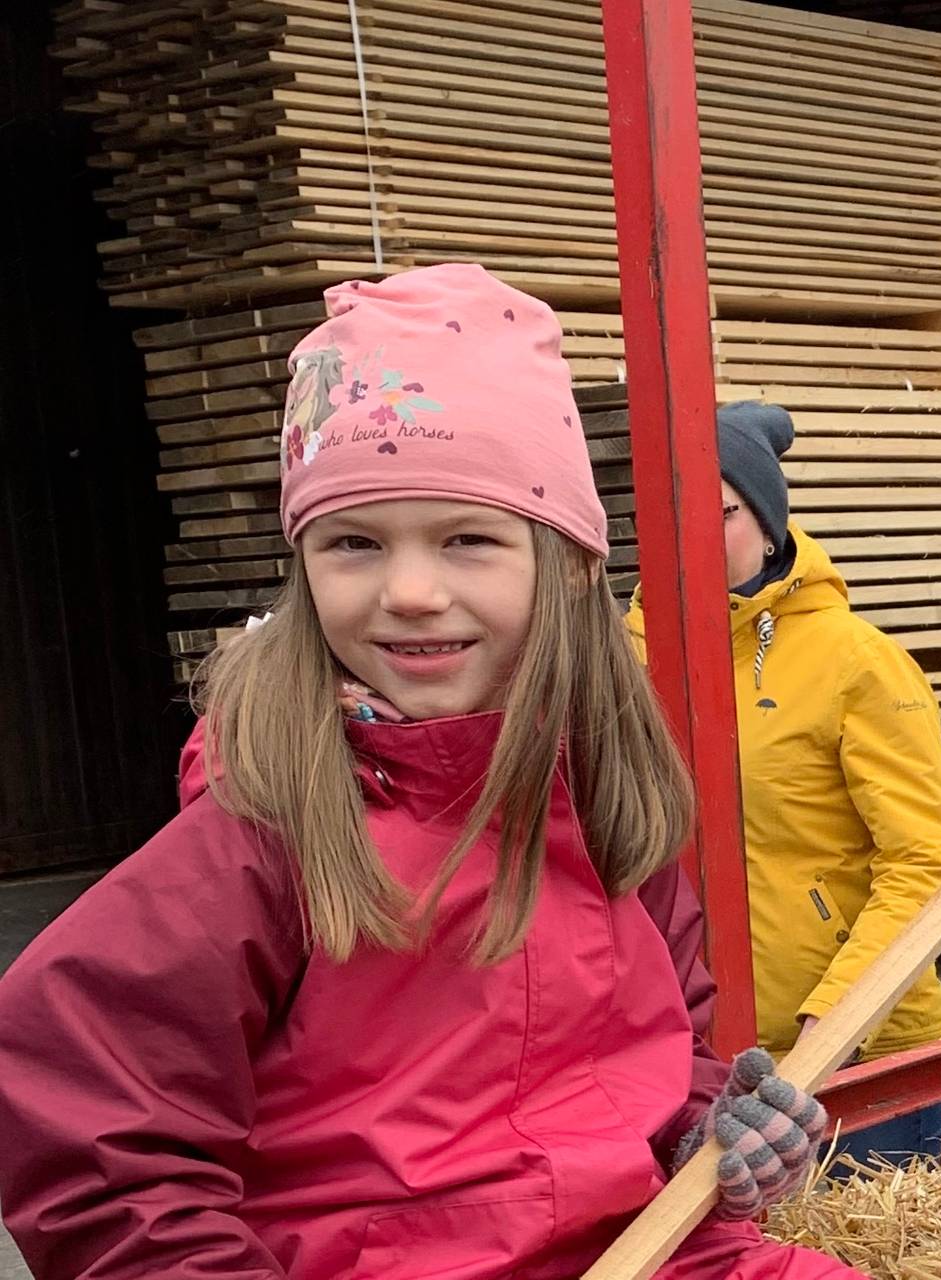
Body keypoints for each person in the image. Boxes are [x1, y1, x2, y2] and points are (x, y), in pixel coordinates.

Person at [0, 264, 857, 1279]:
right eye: (354, 542)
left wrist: (710, 1132)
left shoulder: (609, 797)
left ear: (571, 563)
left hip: (650, 1253)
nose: (410, 590)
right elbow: (94, 1125)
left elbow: (669, 1064)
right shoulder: (263, 830)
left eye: (468, 540)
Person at [626, 400, 941, 1167]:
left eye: (717, 514)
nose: (685, 540)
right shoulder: (620, 659)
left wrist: (836, 1023)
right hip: (693, 1061)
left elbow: (922, 862)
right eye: (660, 515)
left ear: (768, 520)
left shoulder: (855, 660)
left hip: (850, 1054)